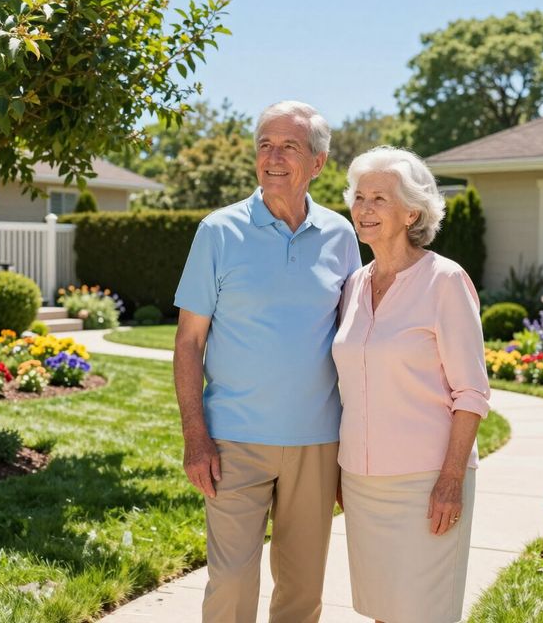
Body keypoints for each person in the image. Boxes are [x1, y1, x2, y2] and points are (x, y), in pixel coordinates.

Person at [174, 101, 361, 623]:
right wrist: (195, 435)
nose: (273, 157)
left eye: (289, 147)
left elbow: (354, 342)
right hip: (233, 440)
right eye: (264, 145)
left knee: (303, 590)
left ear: (318, 163)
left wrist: (353, 445)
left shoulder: (342, 237)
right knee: (232, 583)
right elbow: (189, 342)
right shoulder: (218, 231)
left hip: (317, 442)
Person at [332, 146, 490, 623]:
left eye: (379, 198)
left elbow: (472, 393)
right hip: (361, 482)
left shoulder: (444, 281)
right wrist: (343, 471)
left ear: (412, 211)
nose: (364, 209)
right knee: (382, 611)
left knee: (424, 612)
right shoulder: (354, 286)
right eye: (359, 197)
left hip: (427, 483)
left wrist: (450, 480)